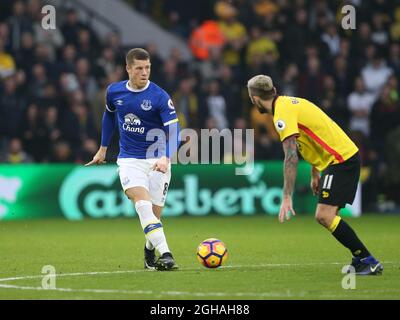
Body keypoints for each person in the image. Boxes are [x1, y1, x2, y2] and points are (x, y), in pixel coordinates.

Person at [247, 74, 383, 275]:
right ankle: (360, 258)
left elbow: (291, 156)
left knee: (324, 215)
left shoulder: (282, 114)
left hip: (341, 160)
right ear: (273, 90)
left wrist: (286, 196)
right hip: (337, 159)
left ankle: (367, 260)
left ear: (254, 99)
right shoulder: (288, 104)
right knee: (327, 216)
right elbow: (314, 133)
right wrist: (314, 171)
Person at [86, 48, 180, 271]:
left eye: (147, 67)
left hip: (158, 160)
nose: (144, 72)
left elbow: (175, 131)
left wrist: (166, 158)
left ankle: (149, 251)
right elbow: (109, 115)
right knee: (143, 206)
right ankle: (166, 255)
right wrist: (102, 149)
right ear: (128, 69)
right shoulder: (114, 92)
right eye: (139, 68)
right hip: (129, 161)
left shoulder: (159, 96)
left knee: (154, 217)